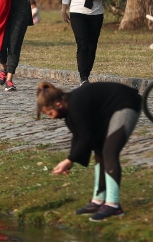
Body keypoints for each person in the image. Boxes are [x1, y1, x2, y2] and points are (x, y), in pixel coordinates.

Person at [37, 81, 141, 222]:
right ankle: (98, 200)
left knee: (109, 152)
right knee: (99, 150)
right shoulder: (69, 112)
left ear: (58, 104)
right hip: (108, 111)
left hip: (125, 104)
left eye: (50, 113)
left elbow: (86, 138)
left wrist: (69, 160)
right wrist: (71, 159)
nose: (52, 117)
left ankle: (113, 206)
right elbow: (79, 137)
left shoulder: (75, 105)